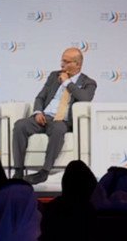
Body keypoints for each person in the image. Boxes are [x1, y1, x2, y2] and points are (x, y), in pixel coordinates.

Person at [12, 47, 97, 185]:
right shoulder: (54, 76)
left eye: (66, 62)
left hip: (62, 120)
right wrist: (38, 112)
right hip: (44, 117)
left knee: (58, 129)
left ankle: (44, 172)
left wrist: (67, 83)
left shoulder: (89, 82)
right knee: (20, 125)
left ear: (78, 64)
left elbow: (85, 98)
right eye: (62, 60)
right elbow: (40, 97)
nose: (62, 65)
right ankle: (18, 171)